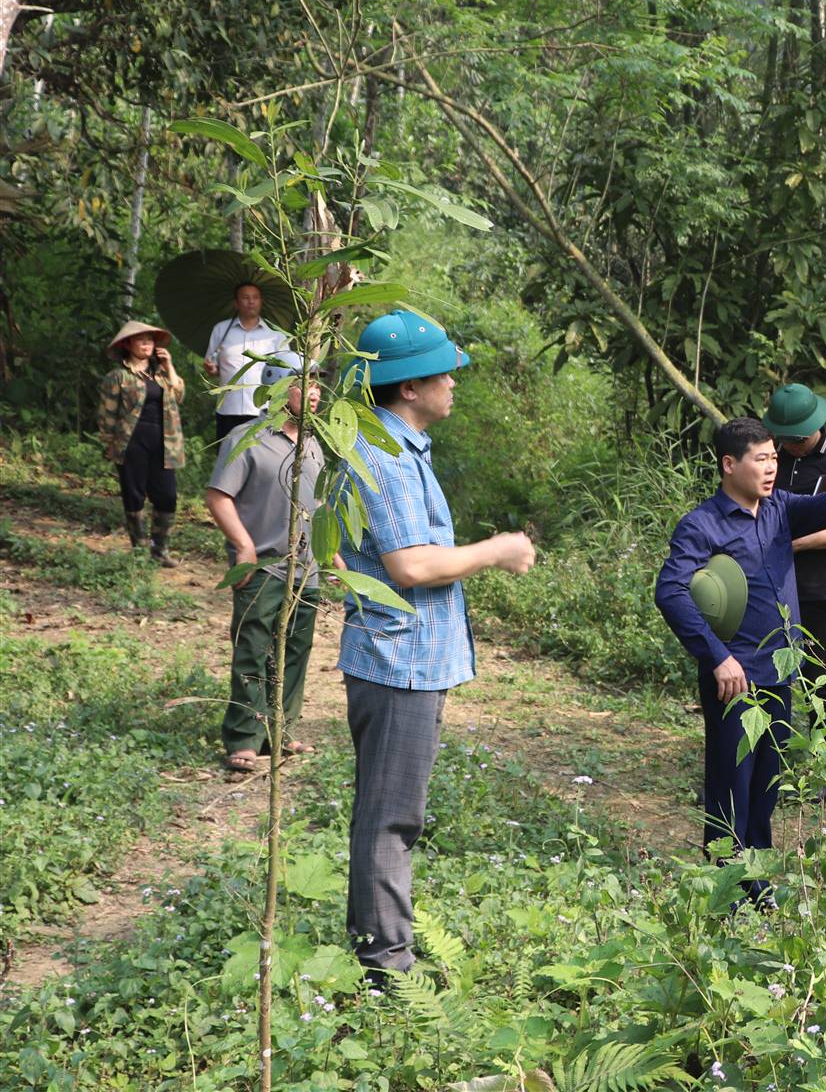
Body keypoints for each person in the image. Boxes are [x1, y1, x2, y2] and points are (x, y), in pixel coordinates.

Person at [335, 310, 537, 978]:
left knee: (390, 812)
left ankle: (382, 946)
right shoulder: (386, 457)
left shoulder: (399, 447)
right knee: (391, 818)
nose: (454, 380)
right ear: (408, 387)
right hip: (398, 663)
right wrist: (499, 550)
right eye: (443, 372)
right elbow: (411, 566)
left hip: (408, 658)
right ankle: (387, 967)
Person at [654, 416, 826, 891]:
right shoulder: (702, 526)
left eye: (775, 457)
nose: (772, 468)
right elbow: (670, 592)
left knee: (767, 782)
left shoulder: (778, 510)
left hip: (779, 671)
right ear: (729, 464)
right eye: (762, 459)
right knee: (731, 785)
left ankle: (759, 882)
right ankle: (727, 889)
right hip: (733, 677)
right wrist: (717, 656)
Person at [205, 354, 325, 774]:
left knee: (295, 648)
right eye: (303, 383)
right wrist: (243, 546)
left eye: (316, 385)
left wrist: (333, 556)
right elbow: (218, 496)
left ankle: (281, 730)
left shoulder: (314, 443)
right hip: (263, 567)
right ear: (276, 388)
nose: (313, 393)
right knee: (254, 648)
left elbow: (320, 504)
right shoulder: (248, 436)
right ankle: (243, 737)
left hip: (305, 568)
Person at [764, 383, 826, 694]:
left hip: (813, 584)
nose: (792, 446)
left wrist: (802, 543)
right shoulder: (770, 457)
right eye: (785, 439)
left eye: (799, 439)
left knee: (819, 677)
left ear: (816, 425)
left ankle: (824, 741)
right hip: (766, 578)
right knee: (768, 669)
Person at [98, 320, 186, 567]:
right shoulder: (118, 376)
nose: (147, 344)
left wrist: (169, 366)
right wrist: (109, 444)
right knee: (134, 496)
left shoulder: (161, 374)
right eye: (141, 340)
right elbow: (106, 416)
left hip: (164, 442)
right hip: (132, 442)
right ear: (128, 344)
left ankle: (160, 550)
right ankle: (140, 550)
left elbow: (179, 395)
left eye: (150, 339)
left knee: (167, 496)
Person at [202, 281, 288, 440]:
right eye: (245, 297)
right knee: (228, 460)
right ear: (236, 303)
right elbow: (213, 368)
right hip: (228, 409)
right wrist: (211, 369)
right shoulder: (221, 330)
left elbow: (287, 373)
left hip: (264, 411)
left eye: (255, 297)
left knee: (261, 461)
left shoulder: (275, 335)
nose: (251, 301)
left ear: (261, 301)